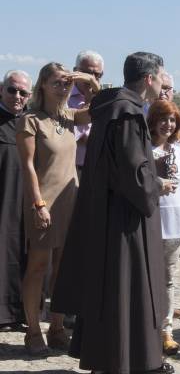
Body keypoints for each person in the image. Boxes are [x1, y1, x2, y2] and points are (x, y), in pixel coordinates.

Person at [52, 51, 175, 373]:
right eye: (162, 76)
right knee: (126, 288)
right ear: (149, 78)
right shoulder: (128, 114)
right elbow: (134, 174)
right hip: (125, 222)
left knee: (111, 290)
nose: (164, 82)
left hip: (108, 215)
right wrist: (155, 184)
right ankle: (128, 359)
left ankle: (117, 357)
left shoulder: (110, 109)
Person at [16, 63, 98, 354]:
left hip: (70, 201)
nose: (63, 88)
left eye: (66, 83)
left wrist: (88, 80)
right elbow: (27, 167)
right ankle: (33, 331)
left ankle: (58, 327)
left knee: (64, 270)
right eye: (57, 83)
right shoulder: (30, 120)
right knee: (38, 267)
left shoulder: (70, 118)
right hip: (43, 204)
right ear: (42, 86)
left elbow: (101, 107)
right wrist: (38, 204)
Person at [148, 100, 180, 355]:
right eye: (163, 119)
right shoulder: (144, 148)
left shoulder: (178, 148)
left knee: (168, 279)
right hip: (152, 220)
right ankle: (146, 328)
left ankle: (166, 331)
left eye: (173, 120)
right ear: (153, 120)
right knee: (148, 279)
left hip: (174, 220)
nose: (168, 124)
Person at [0, 70, 32, 330]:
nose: (17, 96)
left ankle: (23, 312)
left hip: (28, 200)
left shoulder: (32, 121)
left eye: (23, 92)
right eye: (12, 90)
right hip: (3, 198)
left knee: (26, 253)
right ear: (2, 90)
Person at [69, 50, 104, 174]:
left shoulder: (105, 101)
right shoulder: (63, 97)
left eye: (97, 75)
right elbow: (69, 137)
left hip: (97, 169)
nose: (91, 79)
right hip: (69, 168)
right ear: (75, 71)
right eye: (87, 73)